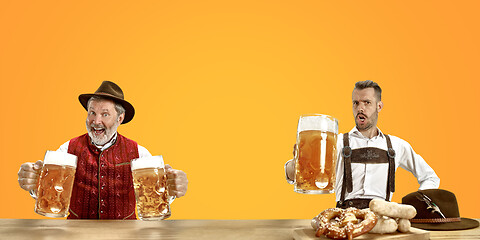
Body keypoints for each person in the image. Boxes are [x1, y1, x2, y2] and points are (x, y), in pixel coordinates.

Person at [18, 81, 188, 219]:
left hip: (127, 236)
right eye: (92, 113)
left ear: (120, 118)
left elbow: (155, 195)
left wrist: (172, 189)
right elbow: (48, 189)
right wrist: (33, 182)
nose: (96, 121)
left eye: (105, 114)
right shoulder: (67, 150)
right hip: (75, 235)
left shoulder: (139, 153)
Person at [285, 80, 439, 209]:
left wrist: (417, 205)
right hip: (344, 219)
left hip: (384, 219)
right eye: (356, 103)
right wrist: (297, 162)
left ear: (379, 106)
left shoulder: (397, 145)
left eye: (367, 102)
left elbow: (430, 177)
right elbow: (294, 177)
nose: (360, 108)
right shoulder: (336, 143)